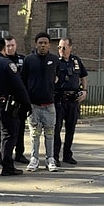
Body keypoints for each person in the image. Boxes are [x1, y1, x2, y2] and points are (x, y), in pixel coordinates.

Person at [0, 37, 30, 176]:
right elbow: (19, 86)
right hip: (6, 106)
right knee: (8, 135)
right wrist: (27, 104)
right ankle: (7, 166)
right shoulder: (7, 63)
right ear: (3, 48)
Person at [21, 32, 59, 172]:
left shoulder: (54, 60)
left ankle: (50, 159)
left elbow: (58, 78)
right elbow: (23, 80)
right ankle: (34, 159)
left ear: (49, 44)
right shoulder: (29, 60)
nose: (43, 45)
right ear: (36, 44)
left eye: (45, 43)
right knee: (34, 134)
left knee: (50, 134)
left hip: (49, 105)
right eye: (40, 43)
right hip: (34, 105)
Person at [54, 37, 88, 165]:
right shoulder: (56, 61)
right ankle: (55, 157)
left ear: (70, 47)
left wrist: (84, 91)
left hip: (73, 100)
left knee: (70, 129)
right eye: (59, 47)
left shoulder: (76, 61)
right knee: (56, 129)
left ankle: (67, 155)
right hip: (59, 99)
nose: (61, 50)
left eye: (64, 47)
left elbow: (83, 76)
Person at [5, 35, 29, 164]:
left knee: (20, 129)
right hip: (5, 101)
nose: (10, 48)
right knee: (3, 130)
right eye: (8, 46)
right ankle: (4, 155)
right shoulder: (1, 60)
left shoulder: (22, 60)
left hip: (20, 101)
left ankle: (19, 153)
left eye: (12, 45)